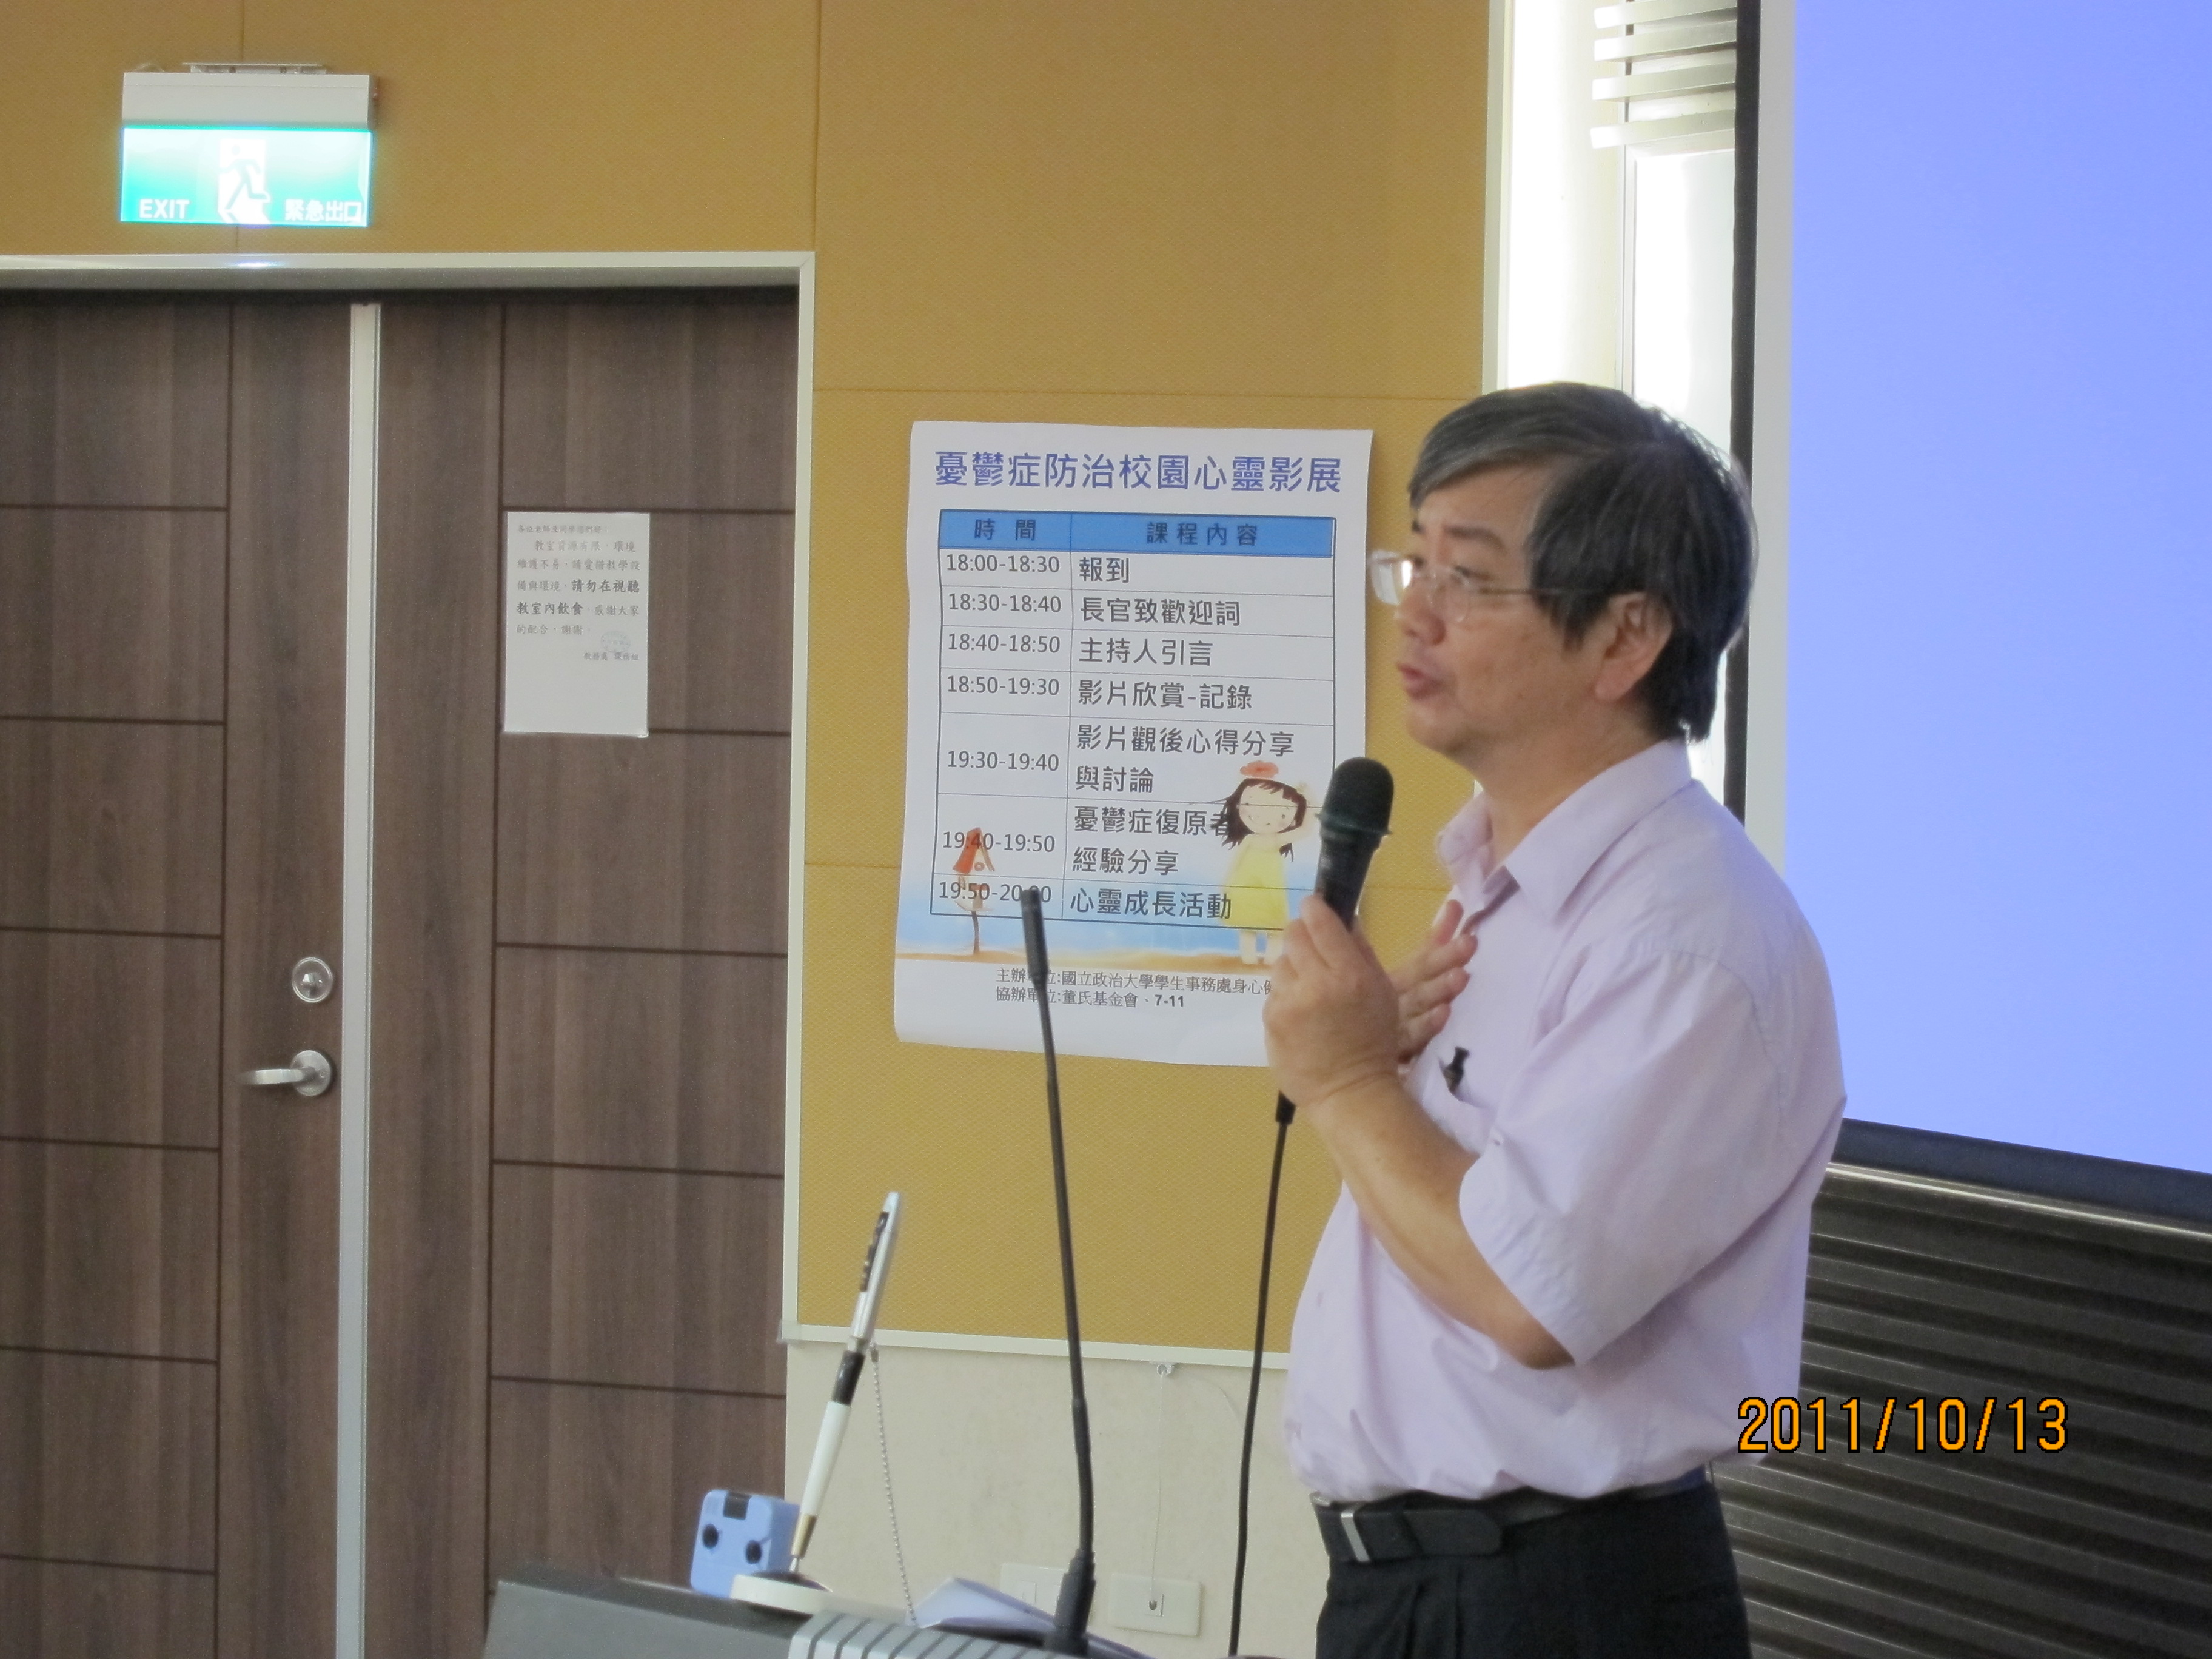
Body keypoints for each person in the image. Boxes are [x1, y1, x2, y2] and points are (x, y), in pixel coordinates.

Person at [1264, 384, 1845, 1658]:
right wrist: (1373, 1075)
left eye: (1467, 579)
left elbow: (1525, 1297)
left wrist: (1349, 1084)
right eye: (1413, 563)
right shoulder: (1504, 898)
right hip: (1419, 1593)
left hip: (1556, 1598)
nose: (1416, 611)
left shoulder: (1683, 937)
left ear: (1625, 637)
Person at [1217, 763, 1315, 965]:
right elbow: (1236, 862)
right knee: (1246, 926)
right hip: (1244, 889)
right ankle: (1249, 959)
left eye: (1282, 814)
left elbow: (1306, 830)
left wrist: (1311, 802)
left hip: (1269, 891)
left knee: (1275, 926)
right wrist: (1227, 885)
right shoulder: (1250, 839)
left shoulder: (1276, 840)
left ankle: (1272, 959)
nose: (1265, 818)